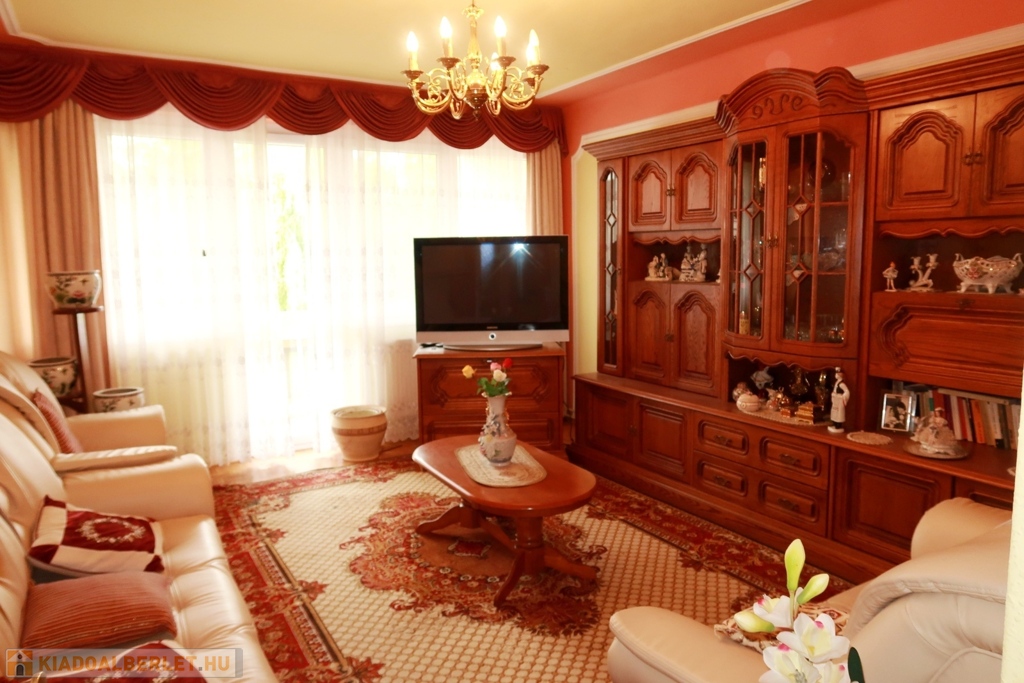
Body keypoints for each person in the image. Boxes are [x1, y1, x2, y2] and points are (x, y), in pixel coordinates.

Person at [828, 368, 850, 434]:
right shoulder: (836, 382)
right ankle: (834, 423)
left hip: (839, 400)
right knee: (834, 411)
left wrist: (843, 397)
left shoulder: (841, 384)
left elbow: (847, 391)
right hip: (835, 400)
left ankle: (838, 425)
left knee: (839, 412)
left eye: (837, 374)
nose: (836, 375)